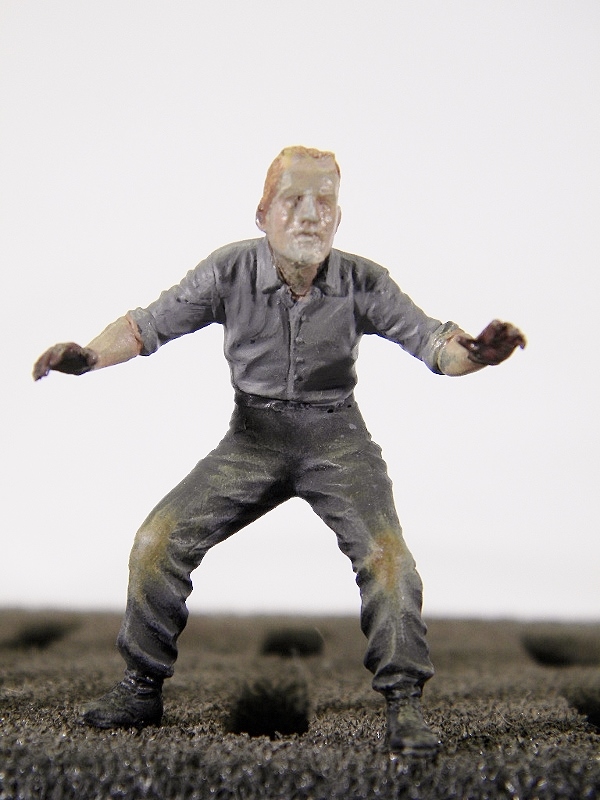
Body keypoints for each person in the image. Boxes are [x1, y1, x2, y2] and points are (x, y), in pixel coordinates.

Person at [33, 146, 525, 756]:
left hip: (337, 439)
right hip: (253, 438)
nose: (310, 215)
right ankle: (140, 686)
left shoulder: (363, 281)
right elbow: (147, 324)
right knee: (157, 541)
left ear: (339, 218)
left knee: (389, 561)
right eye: (293, 201)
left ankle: (405, 701)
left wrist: (477, 354)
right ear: (263, 213)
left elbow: (432, 342)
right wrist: (88, 356)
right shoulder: (229, 271)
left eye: (325, 203)